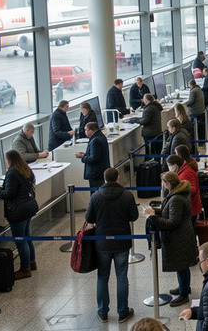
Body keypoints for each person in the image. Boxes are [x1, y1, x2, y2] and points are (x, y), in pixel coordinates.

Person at [85, 167, 138, 324]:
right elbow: (133, 216)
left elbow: (89, 217)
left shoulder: (96, 197)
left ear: (104, 178)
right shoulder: (127, 195)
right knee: (122, 276)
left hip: (102, 242)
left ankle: (103, 311)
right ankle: (122, 312)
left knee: (102, 276)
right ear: (118, 178)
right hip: (122, 241)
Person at [146, 171, 198, 307]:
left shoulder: (176, 198)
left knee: (181, 265)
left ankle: (183, 294)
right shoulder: (178, 194)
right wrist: (157, 211)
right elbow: (170, 212)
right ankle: (183, 287)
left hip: (179, 236)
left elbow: (173, 222)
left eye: (164, 182)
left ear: (168, 184)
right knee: (181, 265)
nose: (162, 185)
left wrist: (154, 218)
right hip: (182, 234)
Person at [0, 150, 38, 280]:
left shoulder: (12, 173)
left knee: (20, 241)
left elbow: (9, 194)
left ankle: (25, 269)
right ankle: (32, 262)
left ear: (9, 160)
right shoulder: (25, 169)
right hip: (28, 208)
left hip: (18, 211)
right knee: (27, 237)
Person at [76, 122, 109, 188]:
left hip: (95, 173)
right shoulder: (101, 136)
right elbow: (97, 153)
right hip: (101, 171)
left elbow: (94, 158)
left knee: (95, 193)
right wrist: (86, 154)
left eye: (86, 130)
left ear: (90, 131)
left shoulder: (95, 140)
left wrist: (82, 157)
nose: (85, 132)